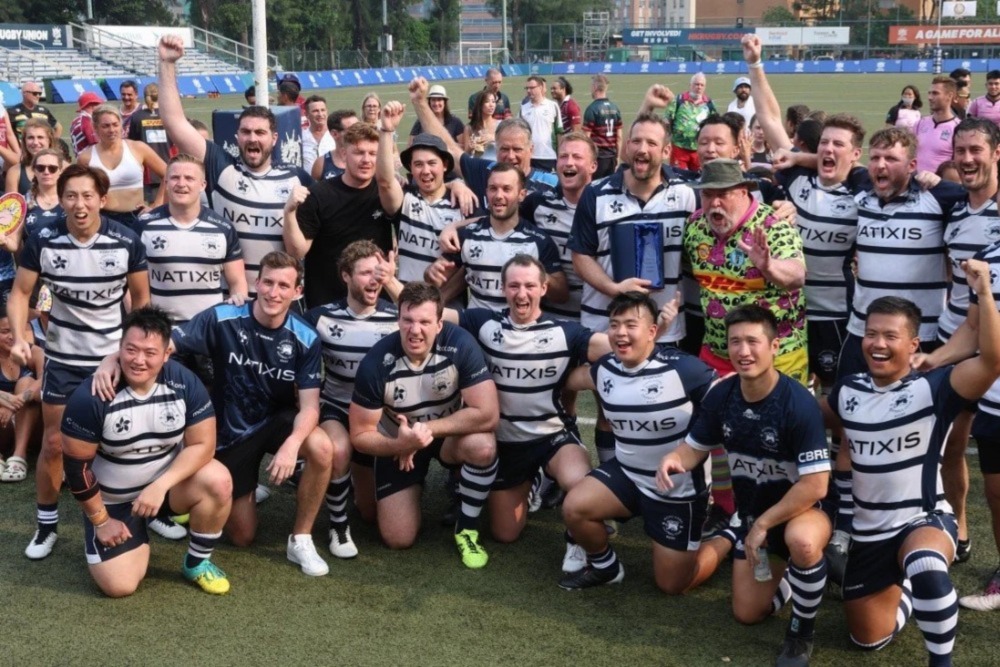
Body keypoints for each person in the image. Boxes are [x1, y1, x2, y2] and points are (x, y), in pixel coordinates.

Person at [110, 251, 334, 576]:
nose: (273, 292)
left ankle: (300, 538)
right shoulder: (223, 317)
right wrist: (112, 359)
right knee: (242, 537)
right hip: (229, 434)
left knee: (322, 446)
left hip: (276, 423)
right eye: (268, 282)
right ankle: (241, 488)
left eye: (283, 286)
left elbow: (310, 406)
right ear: (257, 283)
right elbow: (163, 346)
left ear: (297, 291)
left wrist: (292, 445)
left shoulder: (305, 337)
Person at [828, 291, 1000, 666]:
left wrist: (985, 294)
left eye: (891, 336)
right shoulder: (847, 391)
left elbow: (992, 360)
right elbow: (813, 422)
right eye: (871, 334)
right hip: (868, 534)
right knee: (867, 640)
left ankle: (941, 661)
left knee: (925, 563)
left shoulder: (934, 387)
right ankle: (904, 587)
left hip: (922, 519)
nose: (878, 343)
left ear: (913, 344)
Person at [659, 305, 832, 667]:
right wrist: (674, 458)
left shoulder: (798, 404)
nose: (743, 351)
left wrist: (764, 525)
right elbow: (695, 447)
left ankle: (801, 632)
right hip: (752, 517)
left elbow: (816, 486)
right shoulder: (722, 395)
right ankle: (804, 574)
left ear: (774, 346)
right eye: (735, 341)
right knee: (747, 613)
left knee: (802, 541)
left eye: (753, 341)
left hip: (801, 513)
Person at [9, 164, 150, 561]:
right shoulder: (44, 238)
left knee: (127, 441)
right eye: (71, 196)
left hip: (114, 360)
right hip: (63, 361)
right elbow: (20, 294)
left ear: (102, 199)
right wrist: (19, 337)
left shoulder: (126, 240)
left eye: (88, 195)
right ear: (61, 199)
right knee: (55, 444)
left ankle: (147, 512)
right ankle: (46, 524)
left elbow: (141, 301)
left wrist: (132, 354)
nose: (80, 204)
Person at [446, 255, 608, 565]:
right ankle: (534, 480)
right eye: (514, 286)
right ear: (503, 288)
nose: (522, 294)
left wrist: (655, 336)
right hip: (507, 442)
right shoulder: (483, 323)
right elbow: (428, 313)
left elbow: (616, 345)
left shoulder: (566, 333)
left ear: (543, 288)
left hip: (552, 437)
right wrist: (388, 281)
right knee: (505, 533)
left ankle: (576, 541)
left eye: (530, 286)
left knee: (579, 482)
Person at [63, 307, 232, 597]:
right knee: (120, 586)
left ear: (166, 354)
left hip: (164, 490)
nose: (139, 360)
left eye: (150, 353)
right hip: (115, 502)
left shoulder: (184, 382)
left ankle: (197, 562)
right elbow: (77, 471)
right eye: (131, 350)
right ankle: (124, 531)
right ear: (119, 348)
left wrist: (160, 486)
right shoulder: (91, 397)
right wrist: (101, 521)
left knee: (218, 480)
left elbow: (203, 445)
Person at [557, 290, 714, 591]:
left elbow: (723, 405)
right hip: (628, 474)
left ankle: (727, 538)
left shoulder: (684, 369)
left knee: (672, 585)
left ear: (653, 331)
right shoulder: (605, 368)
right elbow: (567, 378)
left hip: (676, 489)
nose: (620, 332)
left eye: (631, 325)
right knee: (574, 507)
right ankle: (606, 567)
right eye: (614, 324)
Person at [349, 282, 500, 569]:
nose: (415, 330)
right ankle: (402, 485)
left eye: (424, 322)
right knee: (397, 538)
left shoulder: (461, 344)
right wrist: (398, 444)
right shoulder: (376, 362)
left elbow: (488, 414)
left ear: (439, 324)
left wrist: (426, 431)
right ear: (398, 320)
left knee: (482, 445)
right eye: (407, 320)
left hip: (445, 435)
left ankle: (466, 528)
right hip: (398, 443)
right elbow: (360, 435)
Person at [157, 35, 313, 299]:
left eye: (260, 132)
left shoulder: (297, 179)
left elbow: (303, 247)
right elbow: (174, 122)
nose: (253, 138)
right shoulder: (221, 168)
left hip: (279, 299)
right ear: (237, 137)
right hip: (231, 297)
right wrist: (166, 64)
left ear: (274, 138)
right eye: (246, 132)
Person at [911, 117, 1000, 574]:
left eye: (976, 150)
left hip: (992, 348)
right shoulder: (954, 208)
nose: (966, 159)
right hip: (958, 336)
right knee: (950, 445)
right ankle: (959, 529)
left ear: (996, 153)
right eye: (959, 151)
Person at [568, 112, 696, 345]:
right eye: (636, 141)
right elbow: (580, 256)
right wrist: (613, 289)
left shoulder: (686, 196)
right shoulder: (596, 193)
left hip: (664, 328)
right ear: (627, 146)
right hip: (604, 327)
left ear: (666, 151)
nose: (642, 149)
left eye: (651, 143)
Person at [304, 240, 400, 539]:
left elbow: (430, 313)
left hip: (378, 415)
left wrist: (392, 281)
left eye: (379, 273)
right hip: (336, 407)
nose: (374, 280)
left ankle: (354, 479)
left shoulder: (398, 318)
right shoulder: (320, 317)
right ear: (346, 275)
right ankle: (339, 524)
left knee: (369, 513)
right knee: (340, 449)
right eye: (365, 273)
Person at [426, 163, 566, 310]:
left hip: (517, 323)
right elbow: (437, 278)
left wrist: (538, 275)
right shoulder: (467, 234)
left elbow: (561, 296)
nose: (499, 196)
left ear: (522, 195)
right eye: (493, 188)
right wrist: (431, 274)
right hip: (475, 321)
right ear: (486, 192)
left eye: (506, 189)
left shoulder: (538, 241)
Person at [284, 122, 392, 307]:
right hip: (328, 303)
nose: (366, 160)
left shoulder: (386, 194)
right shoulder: (319, 195)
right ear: (343, 154)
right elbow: (296, 251)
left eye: (373, 153)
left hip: (376, 302)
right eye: (359, 152)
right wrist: (289, 212)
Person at [409, 77, 558, 209]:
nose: (510, 156)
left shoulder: (552, 183)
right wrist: (420, 102)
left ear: (531, 149)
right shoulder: (485, 171)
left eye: (517, 149)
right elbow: (450, 149)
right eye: (504, 149)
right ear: (497, 149)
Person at [135, 154, 248, 328]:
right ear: (166, 183)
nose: (181, 184)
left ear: (202, 185)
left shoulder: (223, 228)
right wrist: (142, 323)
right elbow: (131, 285)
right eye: (175, 178)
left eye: (189, 178)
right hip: (162, 331)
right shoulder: (144, 226)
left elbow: (237, 283)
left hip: (209, 330)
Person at [377, 103, 467, 287]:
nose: (425, 171)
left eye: (432, 163)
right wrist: (386, 131)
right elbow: (385, 182)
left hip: (449, 299)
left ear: (445, 165)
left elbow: (468, 267)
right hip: (408, 296)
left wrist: (442, 298)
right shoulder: (405, 199)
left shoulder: (463, 201)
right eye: (418, 164)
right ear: (410, 168)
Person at [521, 131, 598, 320]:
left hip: (597, 318)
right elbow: (502, 221)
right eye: (563, 156)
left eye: (577, 157)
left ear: (593, 166)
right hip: (549, 319)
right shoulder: (537, 204)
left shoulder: (607, 207)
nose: (569, 162)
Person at [77, 105, 167, 227]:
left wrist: (157, 205)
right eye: (105, 126)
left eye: (115, 124)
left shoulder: (138, 148)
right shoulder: (86, 157)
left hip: (136, 217)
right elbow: (79, 188)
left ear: (121, 125)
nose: (111, 130)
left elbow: (168, 174)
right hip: (102, 219)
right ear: (95, 128)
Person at [0, 309, 43, 484]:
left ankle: (19, 455)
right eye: (5, 331)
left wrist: (18, 401)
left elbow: (47, 378)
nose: (12, 336)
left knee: (27, 382)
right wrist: (5, 399)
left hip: (30, 425)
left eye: (15, 330)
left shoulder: (33, 351)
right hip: (3, 425)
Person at [127, 83, 172, 203]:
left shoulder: (137, 117)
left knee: (152, 207)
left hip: (148, 170)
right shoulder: (169, 115)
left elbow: (132, 144)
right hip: (169, 166)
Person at [668, 73, 717, 171]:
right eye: (696, 84)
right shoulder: (679, 100)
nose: (699, 87)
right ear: (690, 85)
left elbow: (714, 125)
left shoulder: (709, 104)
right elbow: (667, 120)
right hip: (679, 147)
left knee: (699, 176)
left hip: (699, 150)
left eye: (702, 85)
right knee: (679, 176)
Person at [915, 77, 961, 173]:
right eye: (929, 93)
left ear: (949, 96)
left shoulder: (958, 128)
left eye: (935, 93)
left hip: (942, 182)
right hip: (917, 181)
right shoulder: (920, 123)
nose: (930, 97)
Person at [582, 74, 623, 179]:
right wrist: (618, 157)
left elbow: (586, 138)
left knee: (595, 186)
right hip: (612, 157)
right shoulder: (615, 108)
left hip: (598, 157)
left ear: (595, 87)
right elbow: (619, 137)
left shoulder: (592, 109)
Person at [520, 76, 563, 172]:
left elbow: (559, 132)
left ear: (540, 87)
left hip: (549, 156)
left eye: (532, 88)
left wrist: (560, 154)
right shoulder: (523, 108)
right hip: (529, 156)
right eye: (527, 88)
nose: (529, 91)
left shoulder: (553, 106)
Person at [5, 118, 54, 197]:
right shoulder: (14, 173)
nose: (35, 142)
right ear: (24, 141)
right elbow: (10, 204)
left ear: (49, 140)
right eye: (30, 138)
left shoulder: (64, 168)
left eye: (40, 137)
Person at [311, 110, 358, 181]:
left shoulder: (369, 159)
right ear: (334, 134)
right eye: (353, 130)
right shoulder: (322, 163)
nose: (359, 133)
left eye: (360, 128)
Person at [301, 95, 334, 172]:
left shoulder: (336, 135)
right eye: (315, 111)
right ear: (306, 114)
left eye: (323, 110)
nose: (320, 114)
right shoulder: (301, 137)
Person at [464, 91, 498, 158]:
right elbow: (466, 155)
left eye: (493, 101)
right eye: (487, 101)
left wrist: (492, 138)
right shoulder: (469, 127)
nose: (491, 105)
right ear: (480, 105)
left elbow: (508, 143)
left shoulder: (501, 125)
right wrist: (470, 148)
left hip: (496, 163)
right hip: (478, 162)